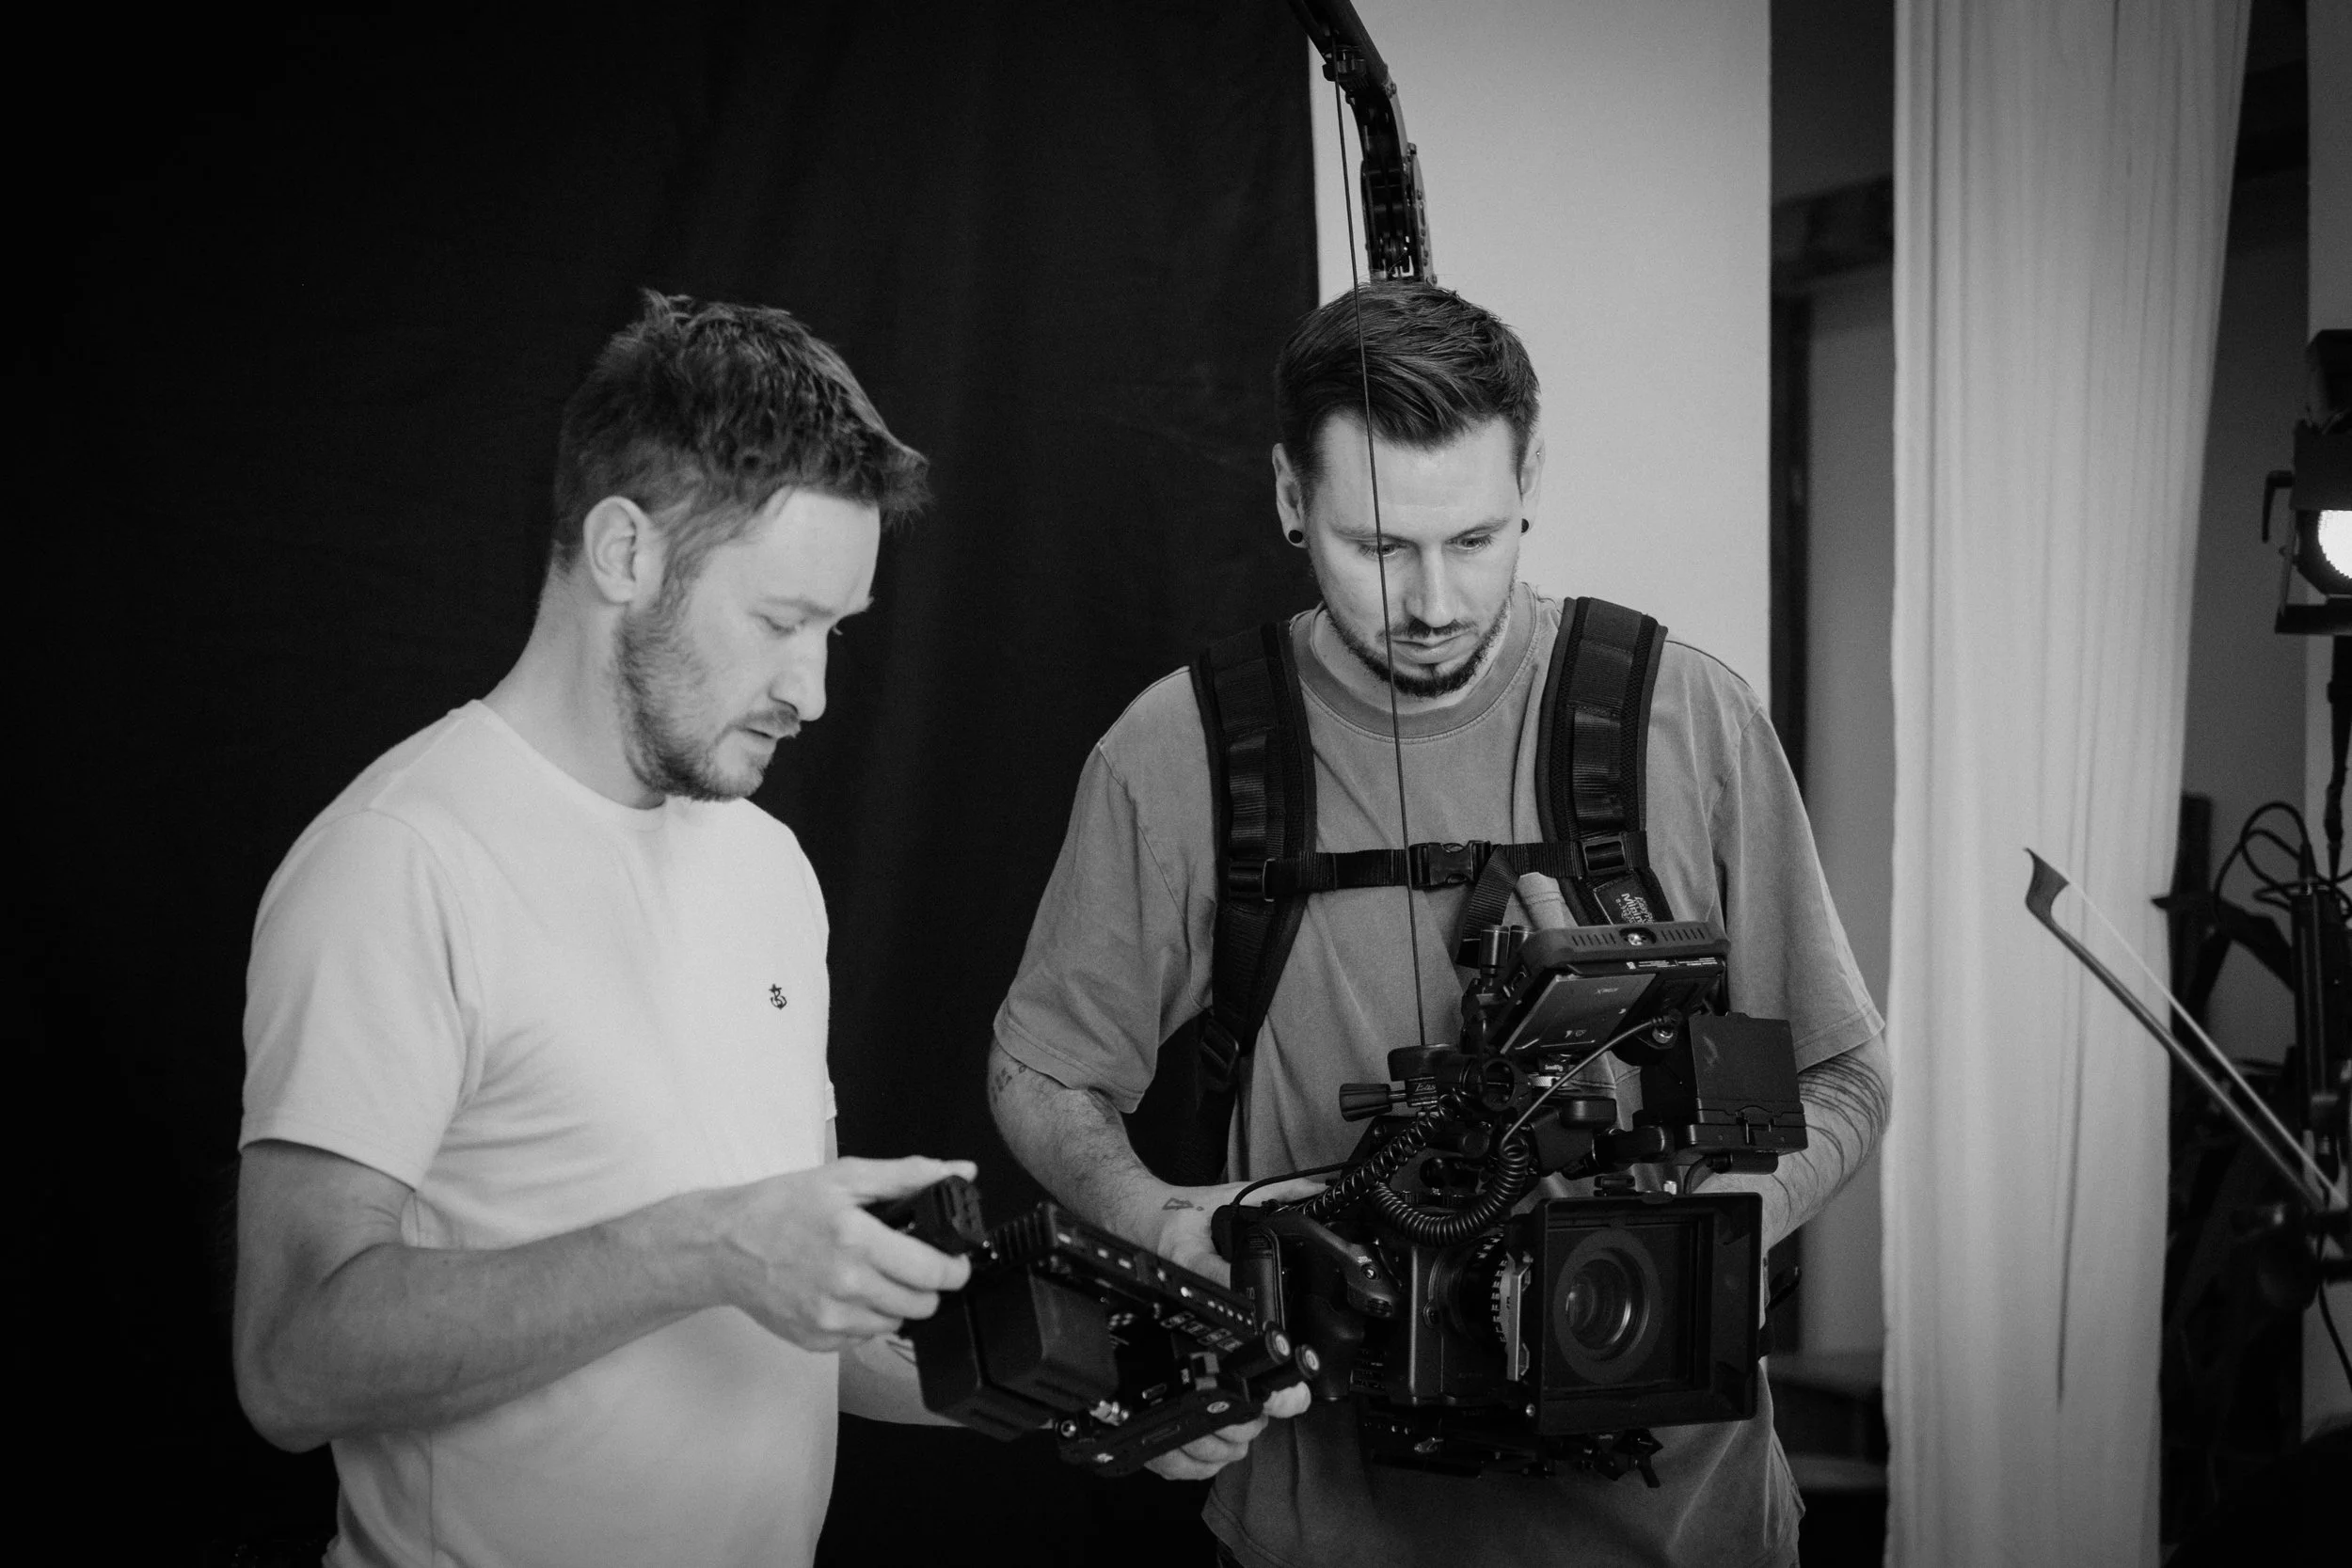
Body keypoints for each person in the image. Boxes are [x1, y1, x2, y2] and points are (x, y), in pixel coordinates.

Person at [987, 279, 1893, 1568]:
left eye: (1474, 538)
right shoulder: (1180, 753)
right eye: (1376, 547)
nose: (1432, 602)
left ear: (1531, 479)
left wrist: (1703, 1244)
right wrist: (1163, 1221)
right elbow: (1040, 1071)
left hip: (1690, 1528)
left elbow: (1847, 1072)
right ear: (1290, 496)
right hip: (1329, 1527)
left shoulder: (1687, 719)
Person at [236, 293, 971, 1568]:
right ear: (626, 551)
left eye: (835, 631)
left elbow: (791, 1317)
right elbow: (291, 1364)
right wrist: (707, 1245)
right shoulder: (401, 861)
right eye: (781, 621)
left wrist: (1082, 1391)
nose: (812, 691)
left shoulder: (769, 865)